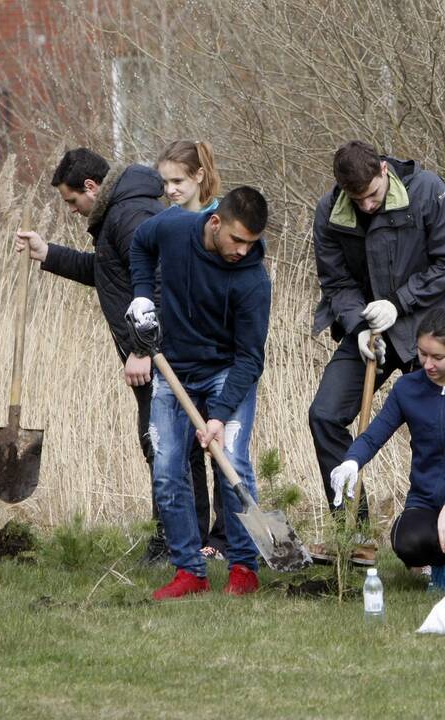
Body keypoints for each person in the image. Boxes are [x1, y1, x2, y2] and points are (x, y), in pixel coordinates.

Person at [309, 140, 445, 559]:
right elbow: (336, 282)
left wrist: (398, 302)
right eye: (357, 199)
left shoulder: (426, 190)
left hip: (425, 327)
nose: (366, 206)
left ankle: (440, 537)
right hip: (368, 331)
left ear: (383, 170)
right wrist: (357, 326)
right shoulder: (329, 211)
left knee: (440, 425)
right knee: (324, 415)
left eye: (373, 196)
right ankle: (354, 534)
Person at [14, 147, 170, 564]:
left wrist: (141, 349)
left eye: (71, 201)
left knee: (162, 444)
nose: (71, 210)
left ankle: (171, 542)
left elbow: (159, 284)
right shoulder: (114, 216)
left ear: (91, 186)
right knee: (157, 442)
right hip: (149, 353)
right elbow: (106, 273)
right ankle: (173, 540)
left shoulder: (131, 215)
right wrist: (48, 253)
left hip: (161, 355)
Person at [127, 186, 271, 600]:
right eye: (237, 239)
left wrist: (218, 416)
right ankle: (190, 571)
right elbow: (140, 244)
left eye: (252, 243)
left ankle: (244, 567)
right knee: (168, 468)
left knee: (233, 464)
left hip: (228, 372)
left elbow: (249, 359)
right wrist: (141, 294)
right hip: (173, 368)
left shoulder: (252, 282)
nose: (243, 250)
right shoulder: (173, 228)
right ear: (214, 222)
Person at [328, 308, 445, 593]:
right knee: (405, 541)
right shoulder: (408, 388)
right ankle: (441, 561)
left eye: (438, 357)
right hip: (426, 501)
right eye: (423, 354)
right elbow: (374, 435)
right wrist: (351, 461)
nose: (427, 364)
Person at [155, 139, 228, 561]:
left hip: (219, 356)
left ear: (199, 177)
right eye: (165, 182)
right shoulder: (164, 225)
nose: (171, 190)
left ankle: (224, 538)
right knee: (183, 452)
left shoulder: (222, 221)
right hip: (177, 356)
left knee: (224, 450)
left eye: (178, 181)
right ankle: (195, 539)